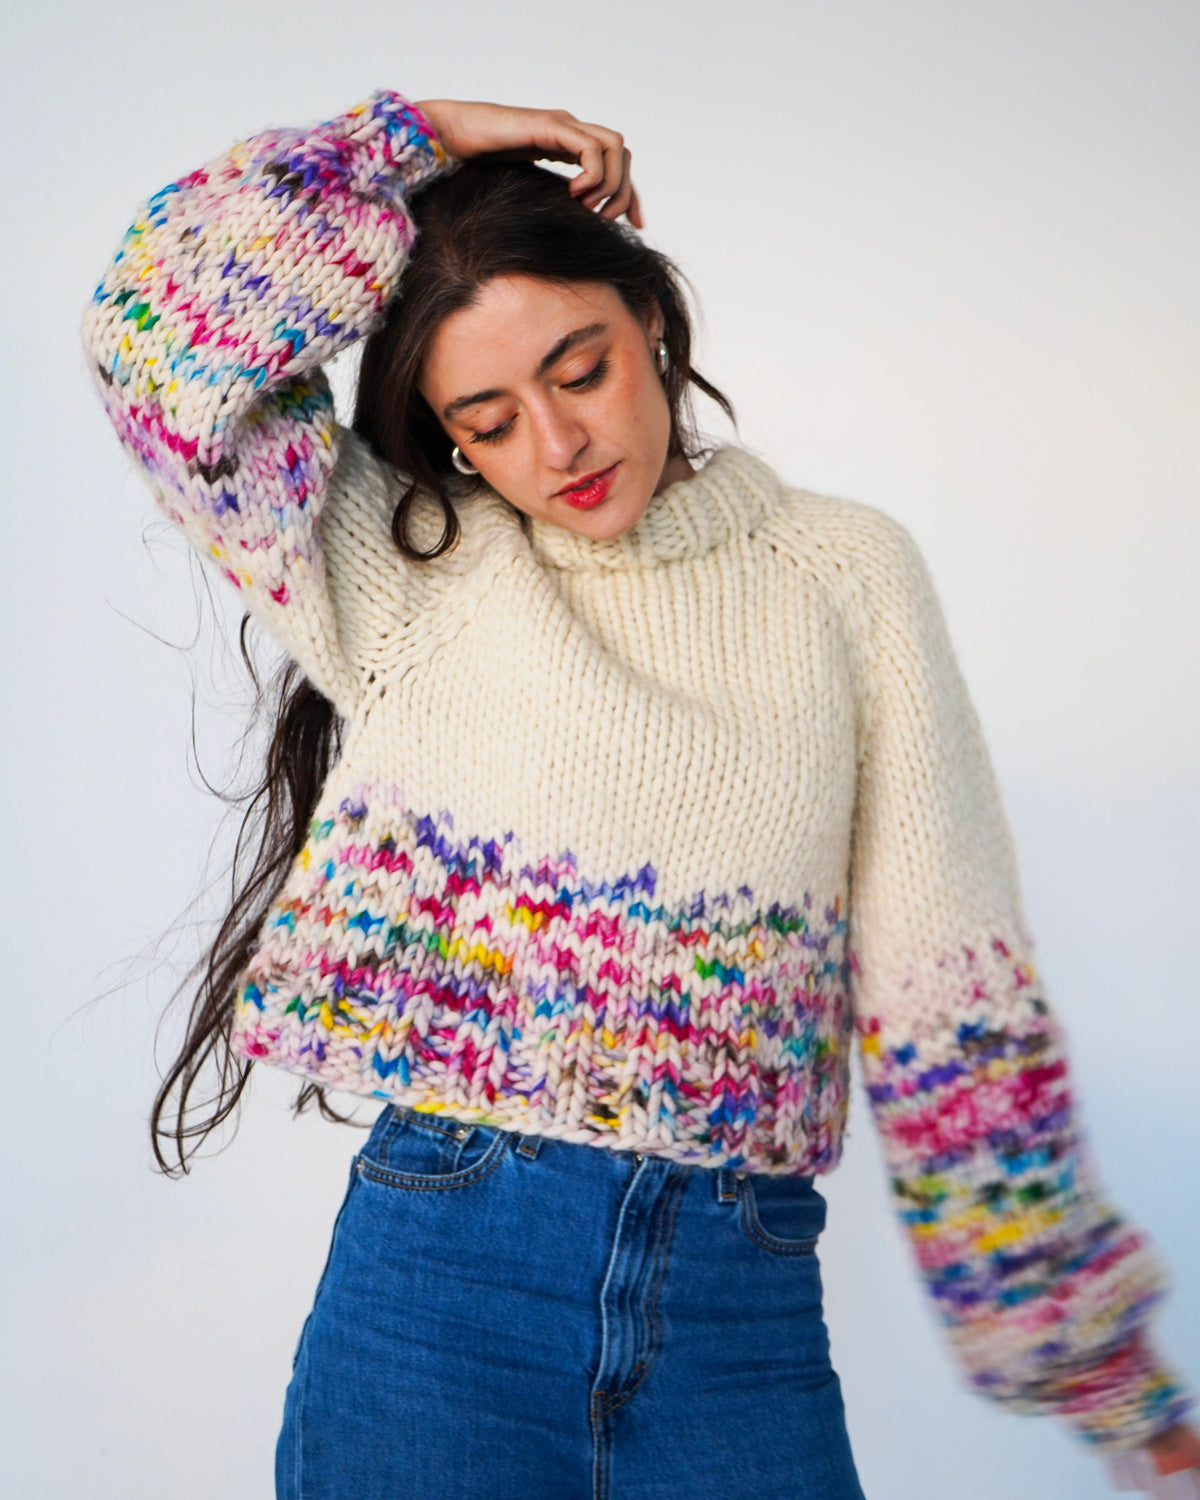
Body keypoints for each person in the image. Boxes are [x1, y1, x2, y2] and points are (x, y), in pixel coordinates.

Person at [81, 90, 1198, 1499]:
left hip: (739, 1320)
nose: (557, 443)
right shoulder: (406, 569)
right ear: (454, 443)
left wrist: (1092, 1365)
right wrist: (415, 135)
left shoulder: (847, 578)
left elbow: (949, 993)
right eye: (489, 419)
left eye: (581, 368)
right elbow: (155, 336)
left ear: (651, 322)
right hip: (437, 1304)